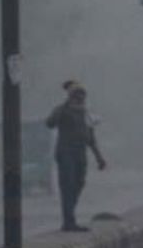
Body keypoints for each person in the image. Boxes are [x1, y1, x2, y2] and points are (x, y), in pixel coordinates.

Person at [45, 81, 107, 232]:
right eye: (77, 95)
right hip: (66, 153)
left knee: (79, 183)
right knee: (68, 186)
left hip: (80, 153)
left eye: (82, 95)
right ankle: (68, 221)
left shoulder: (86, 114)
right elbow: (50, 123)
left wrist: (99, 157)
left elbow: (91, 138)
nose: (80, 98)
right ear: (71, 96)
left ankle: (69, 215)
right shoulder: (62, 111)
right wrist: (63, 108)